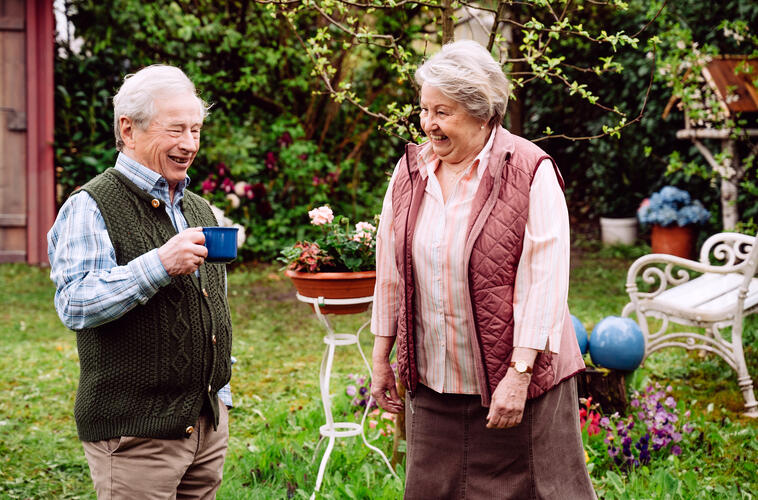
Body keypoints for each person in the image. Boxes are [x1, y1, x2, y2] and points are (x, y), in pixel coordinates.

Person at [370, 40, 595, 499]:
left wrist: (519, 374)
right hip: (436, 384)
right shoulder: (410, 171)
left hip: (518, 385)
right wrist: (381, 357)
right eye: (424, 109)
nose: (428, 124)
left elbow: (544, 283)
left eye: (442, 112)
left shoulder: (531, 171)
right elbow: (390, 271)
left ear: (481, 112)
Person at [48, 65, 233, 499]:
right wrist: (159, 265)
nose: (189, 144)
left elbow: (213, 307)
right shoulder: (91, 205)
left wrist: (219, 397)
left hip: (204, 427)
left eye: (196, 130)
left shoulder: (199, 209)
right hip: (136, 435)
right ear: (128, 130)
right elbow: (74, 303)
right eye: (175, 130)